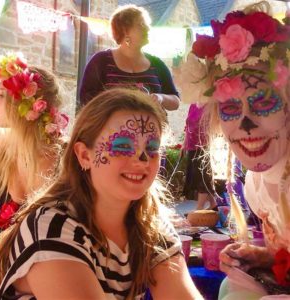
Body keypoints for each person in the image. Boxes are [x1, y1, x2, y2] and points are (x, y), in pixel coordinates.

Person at [0, 88, 202, 299]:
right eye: (122, 146)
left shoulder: (151, 227)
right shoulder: (53, 227)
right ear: (84, 155)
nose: (142, 159)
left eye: (152, 148)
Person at [184, 1, 290, 298]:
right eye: (231, 108)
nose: (245, 124)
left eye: (265, 103)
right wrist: (265, 257)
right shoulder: (258, 180)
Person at [0, 53, 69, 292]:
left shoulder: (65, 157)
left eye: (2, 95)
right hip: (2, 261)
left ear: (28, 106)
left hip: (52, 265)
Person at [79, 4, 180, 111]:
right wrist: (116, 101)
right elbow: (86, 100)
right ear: (125, 30)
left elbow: (176, 101)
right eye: (141, 24)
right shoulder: (101, 61)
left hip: (152, 126)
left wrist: (161, 98)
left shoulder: (157, 64)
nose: (148, 28)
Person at [183, 103, 217, 210]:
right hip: (193, 145)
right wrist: (184, 144)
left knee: (203, 177)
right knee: (197, 176)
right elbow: (188, 125)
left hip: (206, 145)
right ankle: (213, 204)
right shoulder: (193, 105)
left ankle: (199, 208)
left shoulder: (211, 104)